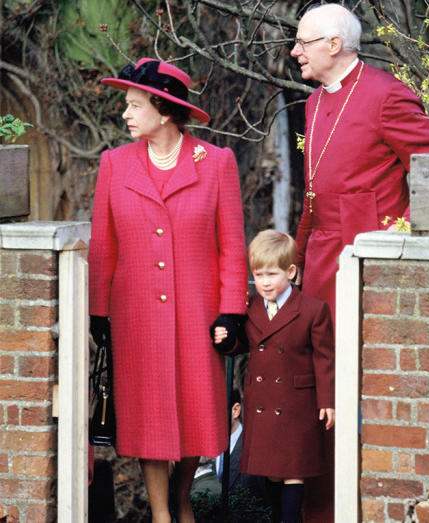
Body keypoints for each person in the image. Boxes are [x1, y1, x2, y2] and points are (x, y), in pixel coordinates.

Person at [88, 57, 248, 523]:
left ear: (162, 110)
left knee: (198, 411)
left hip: (199, 315)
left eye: (134, 105)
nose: (125, 114)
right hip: (135, 315)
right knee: (148, 416)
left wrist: (231, 310)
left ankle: (182, 500)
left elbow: (232, 247)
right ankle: (162, 514)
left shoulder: (217, 163)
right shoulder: (115, 164)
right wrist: (100, 314)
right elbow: (103, 247)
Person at [289, 3, 429, 324]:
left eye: (303, 43)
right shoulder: (313, 101)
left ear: (333, 45)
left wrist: (398, 236)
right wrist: (298, 256)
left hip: (368, 254)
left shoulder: (387, 95)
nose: (295, 52)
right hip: (320, 257)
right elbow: (314, 192)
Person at [213, 230, 335, 523]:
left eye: (272, 274)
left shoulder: (313, 310)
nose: (265, 282)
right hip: (263, 400)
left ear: (291, 272)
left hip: (297, 404)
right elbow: (244, 344)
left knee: (293, 473)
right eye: (258, 274)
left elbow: (325, 358)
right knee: (269, 470)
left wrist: (328, 401)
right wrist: (225, 338)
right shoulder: (251, 307)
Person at [190, 389, 267, 502]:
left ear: (235, 410)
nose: (207, 417)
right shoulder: (198, 444)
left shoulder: (257, 449)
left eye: (213, 410)